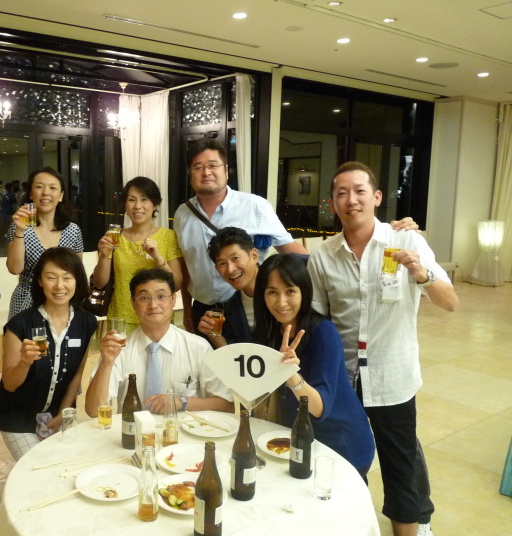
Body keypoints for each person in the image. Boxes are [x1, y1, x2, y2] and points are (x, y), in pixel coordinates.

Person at [307, 161, 458, 536]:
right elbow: (320, 320)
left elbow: (450, 302)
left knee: (399, 464)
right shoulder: (323, 255)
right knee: (344, 461)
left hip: (392, 374)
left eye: (359, 191)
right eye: (342, 193)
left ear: (376, 197)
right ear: (332, 202)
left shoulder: (406, 241)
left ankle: (415, 526)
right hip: (344, 378)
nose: (351, 200)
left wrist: (421, 274)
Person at [173, 138, 307, 342]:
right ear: (190, 174)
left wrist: (312, 286)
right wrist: (188, 309)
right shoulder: (182, 214)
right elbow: (186, 266)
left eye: (213, 165)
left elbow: (288, 248)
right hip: (203, 310)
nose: (206, 172)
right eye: (198, 167)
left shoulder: (255, 207)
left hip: (249, 307)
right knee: (208, 361)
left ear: (226, 170)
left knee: (249, 358)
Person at [252, 253, 375, 476]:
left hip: (340, 444)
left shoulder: (323, 332)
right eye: (272, 292)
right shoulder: (268, 331)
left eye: (290, 291)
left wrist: (291, 374)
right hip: (299, 441)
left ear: (304, 292)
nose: (281, 302)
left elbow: (319, 407)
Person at [85, 268, 234, 417]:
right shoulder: (119, 349)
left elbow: (226, 405)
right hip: (132, 429)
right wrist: (107, 362)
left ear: (173, 299)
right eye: (144, 298)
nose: (153, 305)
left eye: (161, 296)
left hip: (184, 430)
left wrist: (181, 402)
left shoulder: (198, 347)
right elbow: (93, 410)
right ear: (133, 302)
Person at [0, 247, 97, 460]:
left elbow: (77, 374)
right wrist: (24, 362)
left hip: (58, 414)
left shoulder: (86, 322)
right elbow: (10, 384)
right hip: (18, 417)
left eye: (67, 278)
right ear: (40, 281)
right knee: (37, 467)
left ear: (77, 281)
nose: (59, 286)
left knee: (68, 468)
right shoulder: (20, 324)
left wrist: (63, 413)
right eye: (51, 277)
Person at [93, 176, 184, 326]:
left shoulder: (168, 236)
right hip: (121, 318)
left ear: (155, 205)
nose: (137, 206)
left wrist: (158, 258)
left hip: (157, 316)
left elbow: (177, 284)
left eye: (144, 199)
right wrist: (104, 256)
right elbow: (100, 283)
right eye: (131, 200)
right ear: (125, 205)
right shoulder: (115, 237)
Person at [6, 167, 83, 318]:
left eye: (53, 188)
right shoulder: (19, 227)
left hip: (61, 301)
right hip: (26, 302)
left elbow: (76, 274)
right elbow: (14, 269)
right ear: (30, 194)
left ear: (61, 196)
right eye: (39, 187)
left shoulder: (73, 230)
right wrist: (20, 230)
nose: (46, 193)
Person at [197, 227, 261, 347]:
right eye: (222, 263)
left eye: (235, 258)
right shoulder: (231, 307)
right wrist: (213, 334)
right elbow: (236, 355)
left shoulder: (282, 289)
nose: (230, 269)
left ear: (254, 256)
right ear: (217, 269)